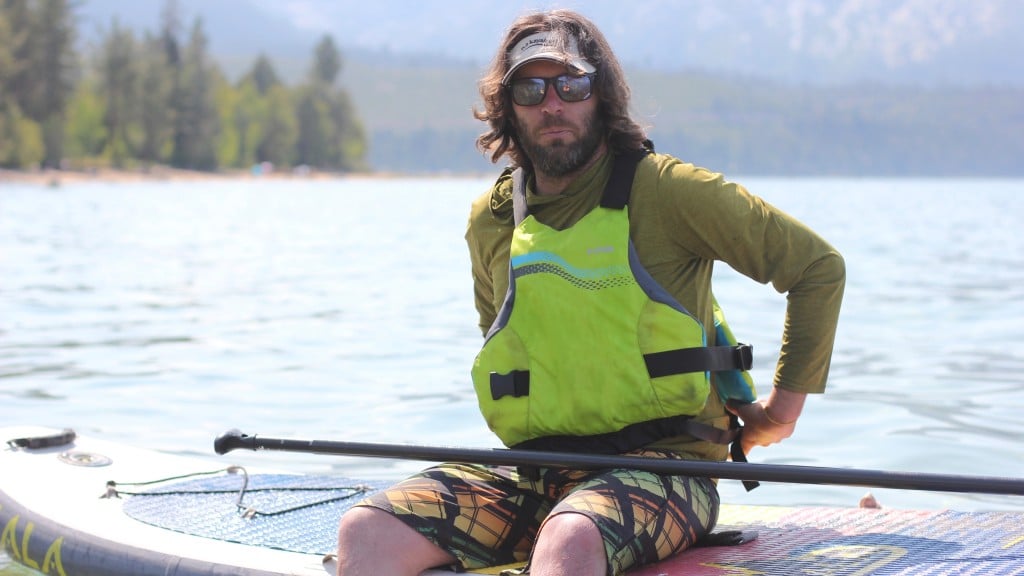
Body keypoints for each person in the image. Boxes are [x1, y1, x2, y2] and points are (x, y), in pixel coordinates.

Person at [335, 8, 844, 576]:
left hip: (670, 472)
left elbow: (817, 268)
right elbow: (504, 345)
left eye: (570, 84)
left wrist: (782, 411)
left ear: (601, 93)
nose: (552, 103)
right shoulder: (493, 219)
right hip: (536, 475)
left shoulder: (670, 192)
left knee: (572, 537)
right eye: (530, 88)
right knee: (367, 531)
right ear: (509, 108)